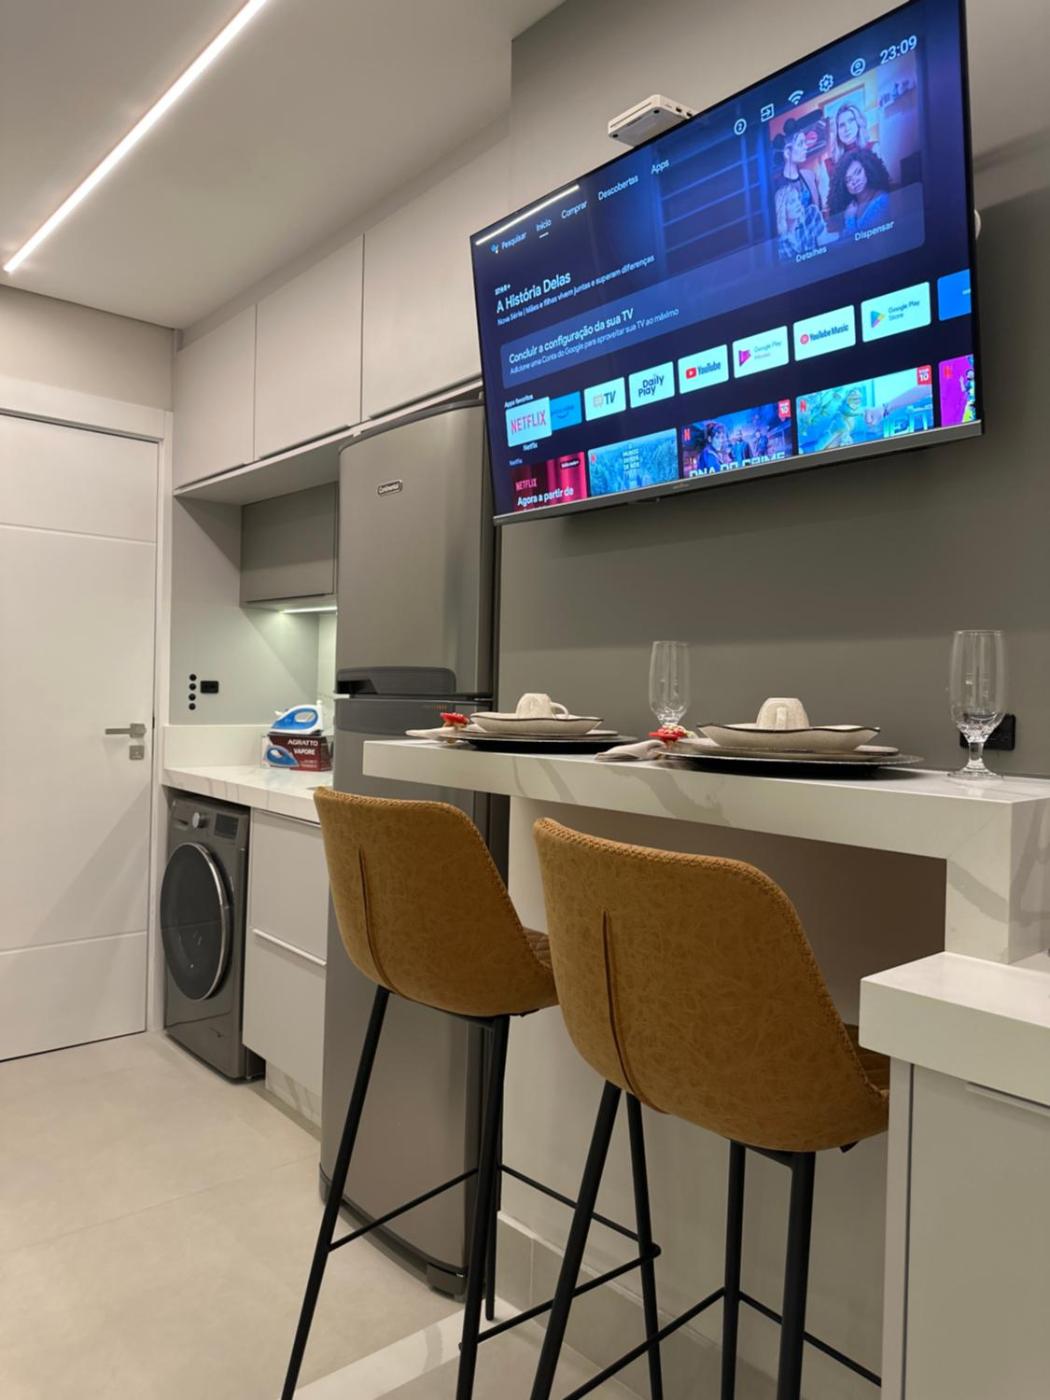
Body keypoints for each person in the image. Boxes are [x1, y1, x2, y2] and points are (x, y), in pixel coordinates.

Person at [773, 120, 828, 257]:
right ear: (787, 152)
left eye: (805, 143)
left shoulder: (809, 176)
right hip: (791, 251)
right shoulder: (776, 188)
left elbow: (818, 211)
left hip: (816, 245)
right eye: (800, 144)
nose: (805, 147)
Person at [827, 148, 892, 233]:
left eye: (858, 172)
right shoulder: (850, 205)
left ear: (867, 169)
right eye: (848, 180)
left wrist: (849, 218)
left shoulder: (881, 200)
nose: (855, 181)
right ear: (843, 186)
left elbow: (864, 239)